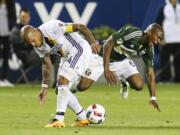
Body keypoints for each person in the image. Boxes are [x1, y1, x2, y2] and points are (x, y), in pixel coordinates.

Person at [20, 19, 99, 128]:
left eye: (33, 40)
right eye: (31, 43)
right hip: (66, 56)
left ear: (35, 31)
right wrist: (44, 87)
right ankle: (83, 118)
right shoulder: (38, 45)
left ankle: (59, 118)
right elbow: (46, 64)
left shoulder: (52, 27)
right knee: (60, 89)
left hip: (79, 49)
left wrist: (93, 42)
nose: (34, 44)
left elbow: (81, 27)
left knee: (63, 80)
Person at [69, 23, 163, 112]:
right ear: (150, 32)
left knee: (139, 86)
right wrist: (106, 69)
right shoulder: (132, 33)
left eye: (160, 39)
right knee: (82, 86)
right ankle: (69, 89)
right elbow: (108, 44)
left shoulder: (149, 49)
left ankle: (124, 80)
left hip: (122, 61)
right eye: (158, 37)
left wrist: (153, 97)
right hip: (102, 57)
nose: (158, 41)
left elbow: (150, 73)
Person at [156, 0, 180, 82]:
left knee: (178, 62)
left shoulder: (179, 7)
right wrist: (161, 38)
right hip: (167, 40)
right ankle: (165, 80)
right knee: (165, 61)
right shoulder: (164, 8)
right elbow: (158, 24)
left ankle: (178, 80)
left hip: (178, 39)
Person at [0, 0, 16, 87]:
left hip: (7, 34)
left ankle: (4, 79)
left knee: (6, 56)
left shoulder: (10, 3)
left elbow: (13, 17)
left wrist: (11, 30)